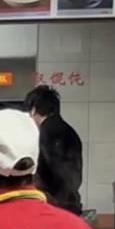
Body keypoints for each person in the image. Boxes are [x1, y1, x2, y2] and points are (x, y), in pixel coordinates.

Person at [26, 85, 87, 218]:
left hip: (52, 206)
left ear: (34, 109)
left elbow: (47, 172)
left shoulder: (45, 133)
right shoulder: (69, 131)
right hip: (69, 204)